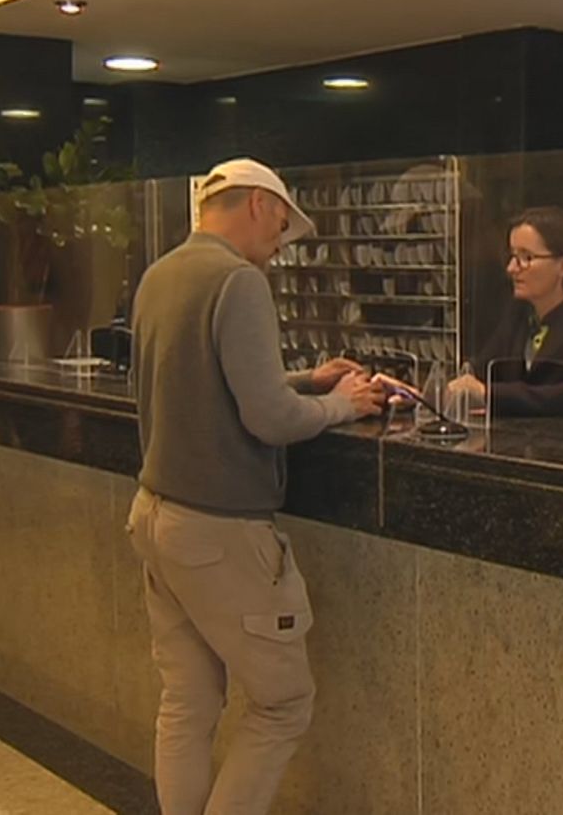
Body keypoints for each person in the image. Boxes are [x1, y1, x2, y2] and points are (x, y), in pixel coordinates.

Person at [127, 157, 385, 815]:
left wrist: (307, 381)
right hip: (221, 531)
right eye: (280, 223)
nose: (280, 242)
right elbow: (267, 420)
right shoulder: (238, 281)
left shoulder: (163, 273)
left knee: (188, 702)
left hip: (157, 515)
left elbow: (198, 388)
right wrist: (343, 406)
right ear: (255, 206)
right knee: (283, 703)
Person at [449, 206, 563, 417]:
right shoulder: (517, 317)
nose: (511, 268)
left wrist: (489, 393)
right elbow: (480, 369)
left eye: (526, 257)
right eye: (513, 256)